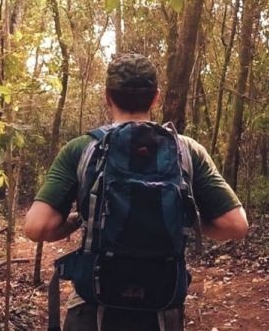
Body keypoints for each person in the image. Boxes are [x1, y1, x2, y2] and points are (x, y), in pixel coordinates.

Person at [24, 53, 249, 330]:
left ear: (107, 97)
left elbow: (37, 227)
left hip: (93, 307)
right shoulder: (187, 150)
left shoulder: (82, 149)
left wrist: (78, 220)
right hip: (161, 306)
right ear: (156, 97)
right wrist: (185, 219)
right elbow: (236, 225)